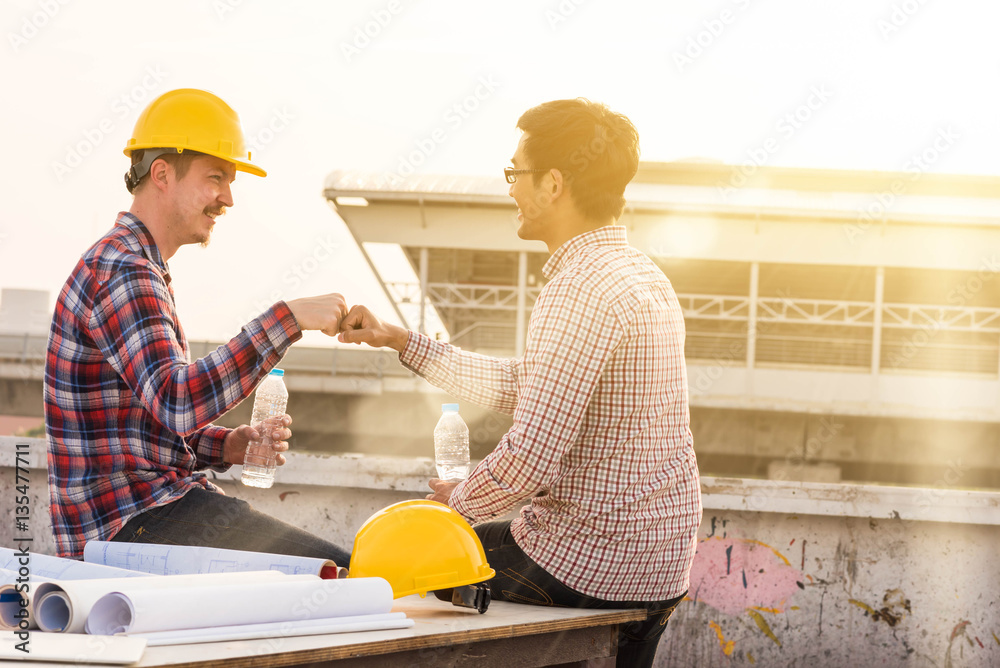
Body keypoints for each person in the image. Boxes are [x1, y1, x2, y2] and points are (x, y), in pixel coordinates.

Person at [338, 98, 702, 667]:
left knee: (386, 571)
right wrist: (400, 340)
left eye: (516, 174)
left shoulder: (579, 289)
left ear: (553, 183)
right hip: (660, 564)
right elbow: (526, 386)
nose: (510, 188)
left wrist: (454, 508)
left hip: (589, 562)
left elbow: (529, 457)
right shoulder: (641, 275)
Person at [44, 88, 350, 567]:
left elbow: (147, 424)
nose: (228, 198)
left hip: (139, 520)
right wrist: (287, 320)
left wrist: (227, 444)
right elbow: (177, 401)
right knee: (339, 574)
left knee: (328, 574)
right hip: (134, 526)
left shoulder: (134, 265)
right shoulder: (124, 269)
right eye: (215, 178)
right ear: (162, 174)